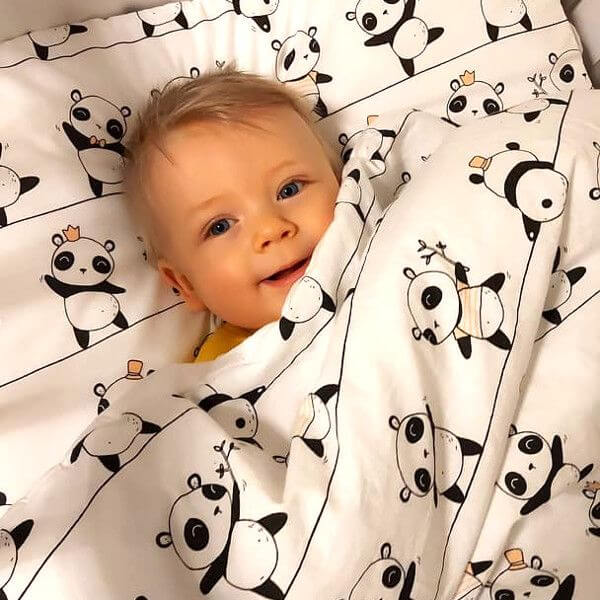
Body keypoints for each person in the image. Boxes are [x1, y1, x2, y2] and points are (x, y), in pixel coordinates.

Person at [124, 66, 341, 361]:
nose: (270, 229)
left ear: (341, 181)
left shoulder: (391, 236)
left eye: (289, 189)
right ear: (185, 283)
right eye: (220, 226)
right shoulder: (219, 371)